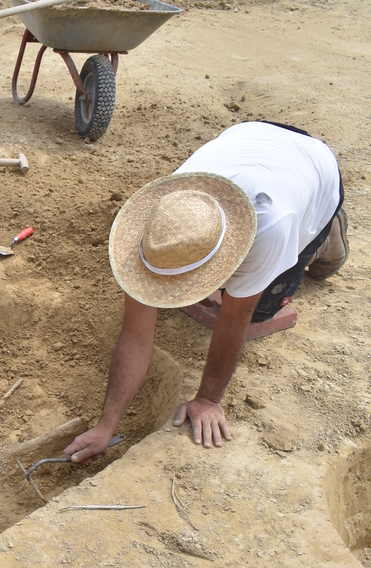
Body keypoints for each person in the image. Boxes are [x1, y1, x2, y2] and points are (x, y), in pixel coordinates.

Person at [65, 121, 348, 462]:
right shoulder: (162, 224)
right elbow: (136, 334)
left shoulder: (270, 228)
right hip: (249, 136)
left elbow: (233, 320)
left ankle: (327, 238)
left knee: (258, 309)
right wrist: (105, 425)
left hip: (313, 174)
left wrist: (208, 399)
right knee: (182, 289)